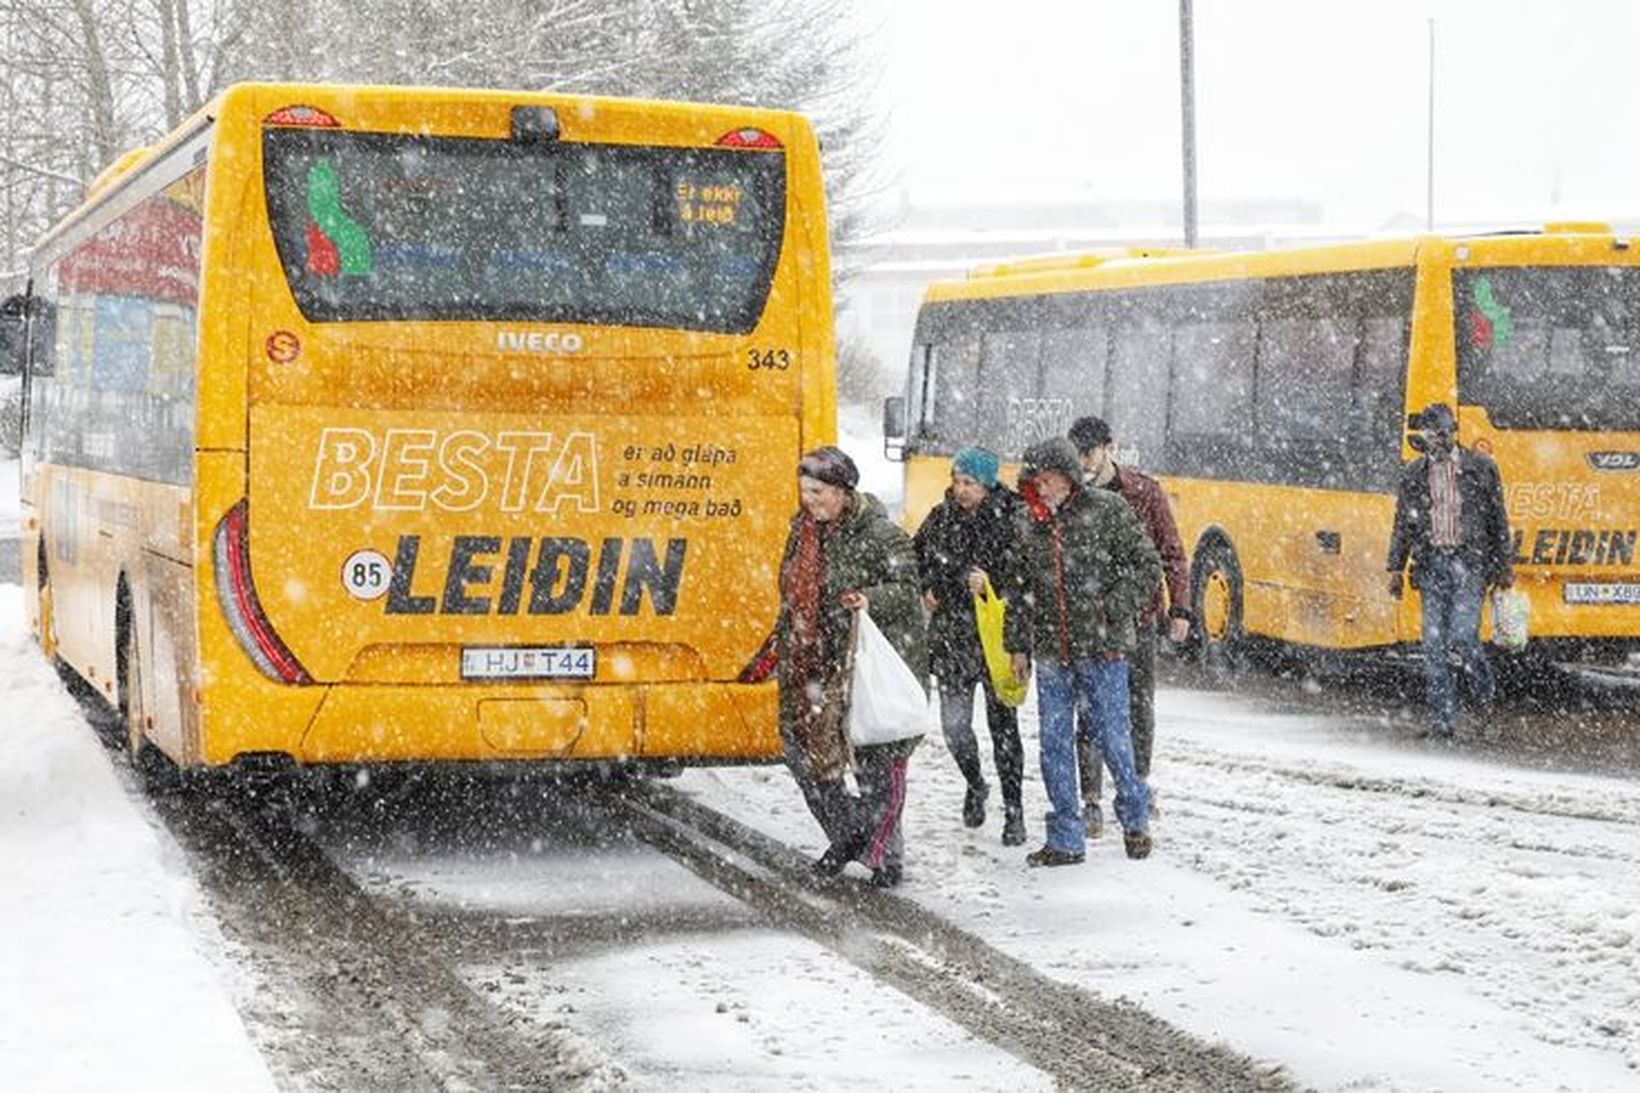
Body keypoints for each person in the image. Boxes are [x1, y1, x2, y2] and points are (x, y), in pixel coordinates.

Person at [771, 445, 927, 887]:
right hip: (809, 659)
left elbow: (907, 590)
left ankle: (887, 856)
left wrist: (869, 599)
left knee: (877, 762)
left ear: (842, 491)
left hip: (857, 664)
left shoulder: (879, 534)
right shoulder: (802, 530)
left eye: (818, 491)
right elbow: (792, 590)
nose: (810, 500)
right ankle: (848, 835)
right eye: (805, 491)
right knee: (807, 756)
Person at [1005, 438, 1162, 866]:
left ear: (1070, 478)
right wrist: (1017, 645)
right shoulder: (1026, 523)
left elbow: (1147, 566)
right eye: (1036, 481)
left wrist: (1112, 607)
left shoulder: (1107, 512)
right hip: (1053, 653)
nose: (1044, 488)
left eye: (1050, 479)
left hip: (1104, 649)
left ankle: (1134, 818)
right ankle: (1066, 839)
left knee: (1113, 738)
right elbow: (1019, 592)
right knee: (1054, 744)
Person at [1067, 416, 1190, 836]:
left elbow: (1171, 552)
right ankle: (1091, 798)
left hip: (1138, 617)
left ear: (1109, 448)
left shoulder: (1144, 491)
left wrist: (1180, 609)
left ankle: (1137, 783)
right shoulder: (1072, 496)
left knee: (1139, 705)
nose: (1084, 462)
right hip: (1087, 622)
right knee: (1090, 709)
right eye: (1078, 454)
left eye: (1090, 453)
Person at [913, 446, 1027, 846]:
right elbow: (916, 559)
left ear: (988, 483)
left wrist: (991, 585)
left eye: (969, 483)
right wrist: (930, 586)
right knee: (954, 726)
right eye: (957, 481)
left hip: (996, 641)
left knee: (1004, 731)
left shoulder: (1012, 517)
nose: (960, 490)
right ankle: (976, 782)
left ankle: (1015, 812)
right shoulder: (940, 517)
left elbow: (1023, 576)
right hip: (953, 640)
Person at [1386, 403, 1515, 738]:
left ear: (1453, 432)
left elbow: (1498, 520)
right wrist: (1395, 568)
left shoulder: (1481, 469)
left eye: (1442, 433)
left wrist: (1504, 567)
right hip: (1432, 566)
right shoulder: (1414, 474)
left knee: (1462, 636)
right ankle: (1442, 721)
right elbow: (1402, 524)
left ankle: (1484, 700)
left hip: (1470, 565)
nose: (1437, 441)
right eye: (1430, 434)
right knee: (1433, 644)